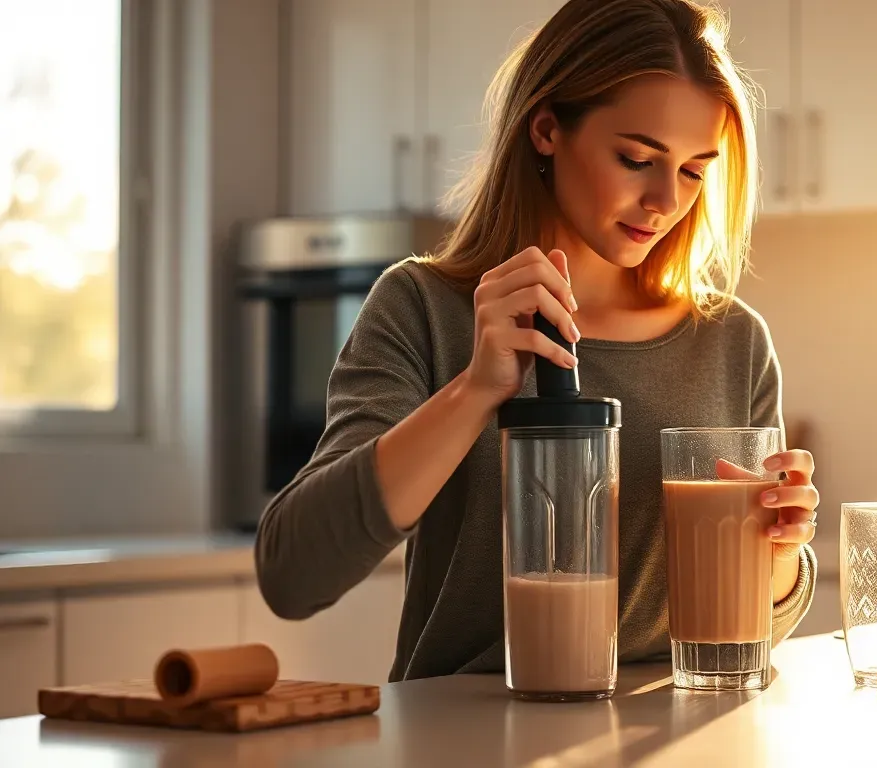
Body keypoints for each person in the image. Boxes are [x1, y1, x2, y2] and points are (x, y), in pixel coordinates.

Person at [254, 0, 819, 682]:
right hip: (462, 743)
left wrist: (782, 551)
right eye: (637, 158)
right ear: (547, 128)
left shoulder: (732, 342)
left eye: (695, 170)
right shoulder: (422, 309)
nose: (667, 199)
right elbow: (291, 575)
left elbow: (755, 628)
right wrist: (476, 390)